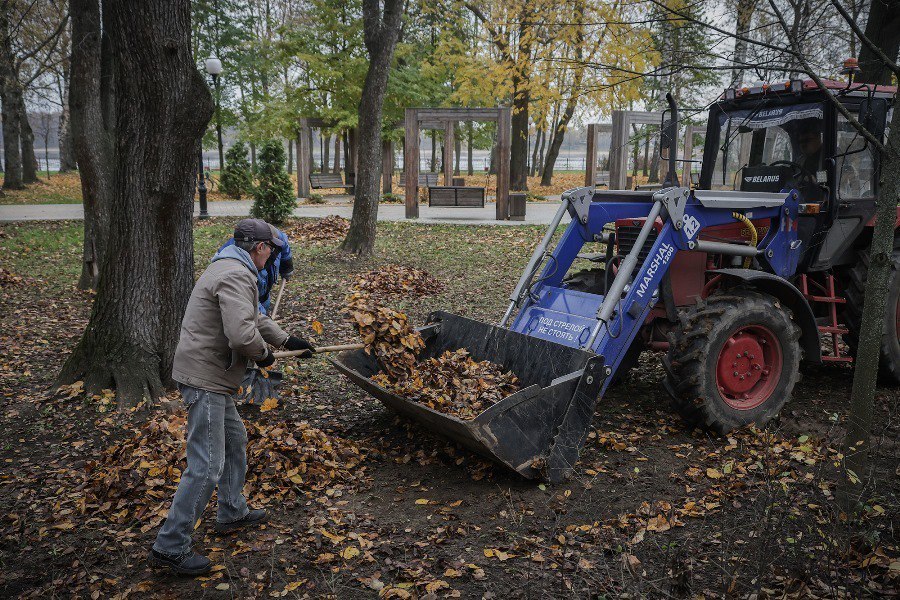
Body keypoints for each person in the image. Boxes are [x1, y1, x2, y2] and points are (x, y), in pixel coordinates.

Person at [150, 218, 315, 576]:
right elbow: (242, 336)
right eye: (270, 249)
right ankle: (170, 546)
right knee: (206, 464)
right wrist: (265, 356)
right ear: (260, 248)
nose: (271, 255)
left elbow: (253, 318)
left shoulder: (230, 266)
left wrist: (287, 341)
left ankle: (232, 510)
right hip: (206, 377)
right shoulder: (237, 275)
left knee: (235, 440)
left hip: (214, 375)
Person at [219, 224, 293, 315]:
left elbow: (283, 241)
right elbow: (251, 310)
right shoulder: (236, 275)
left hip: (263, 293)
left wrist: (287, 266)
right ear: (260, 247)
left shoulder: (273, 235)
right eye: (271, 247)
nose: (272, 251)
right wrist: (263, 318)